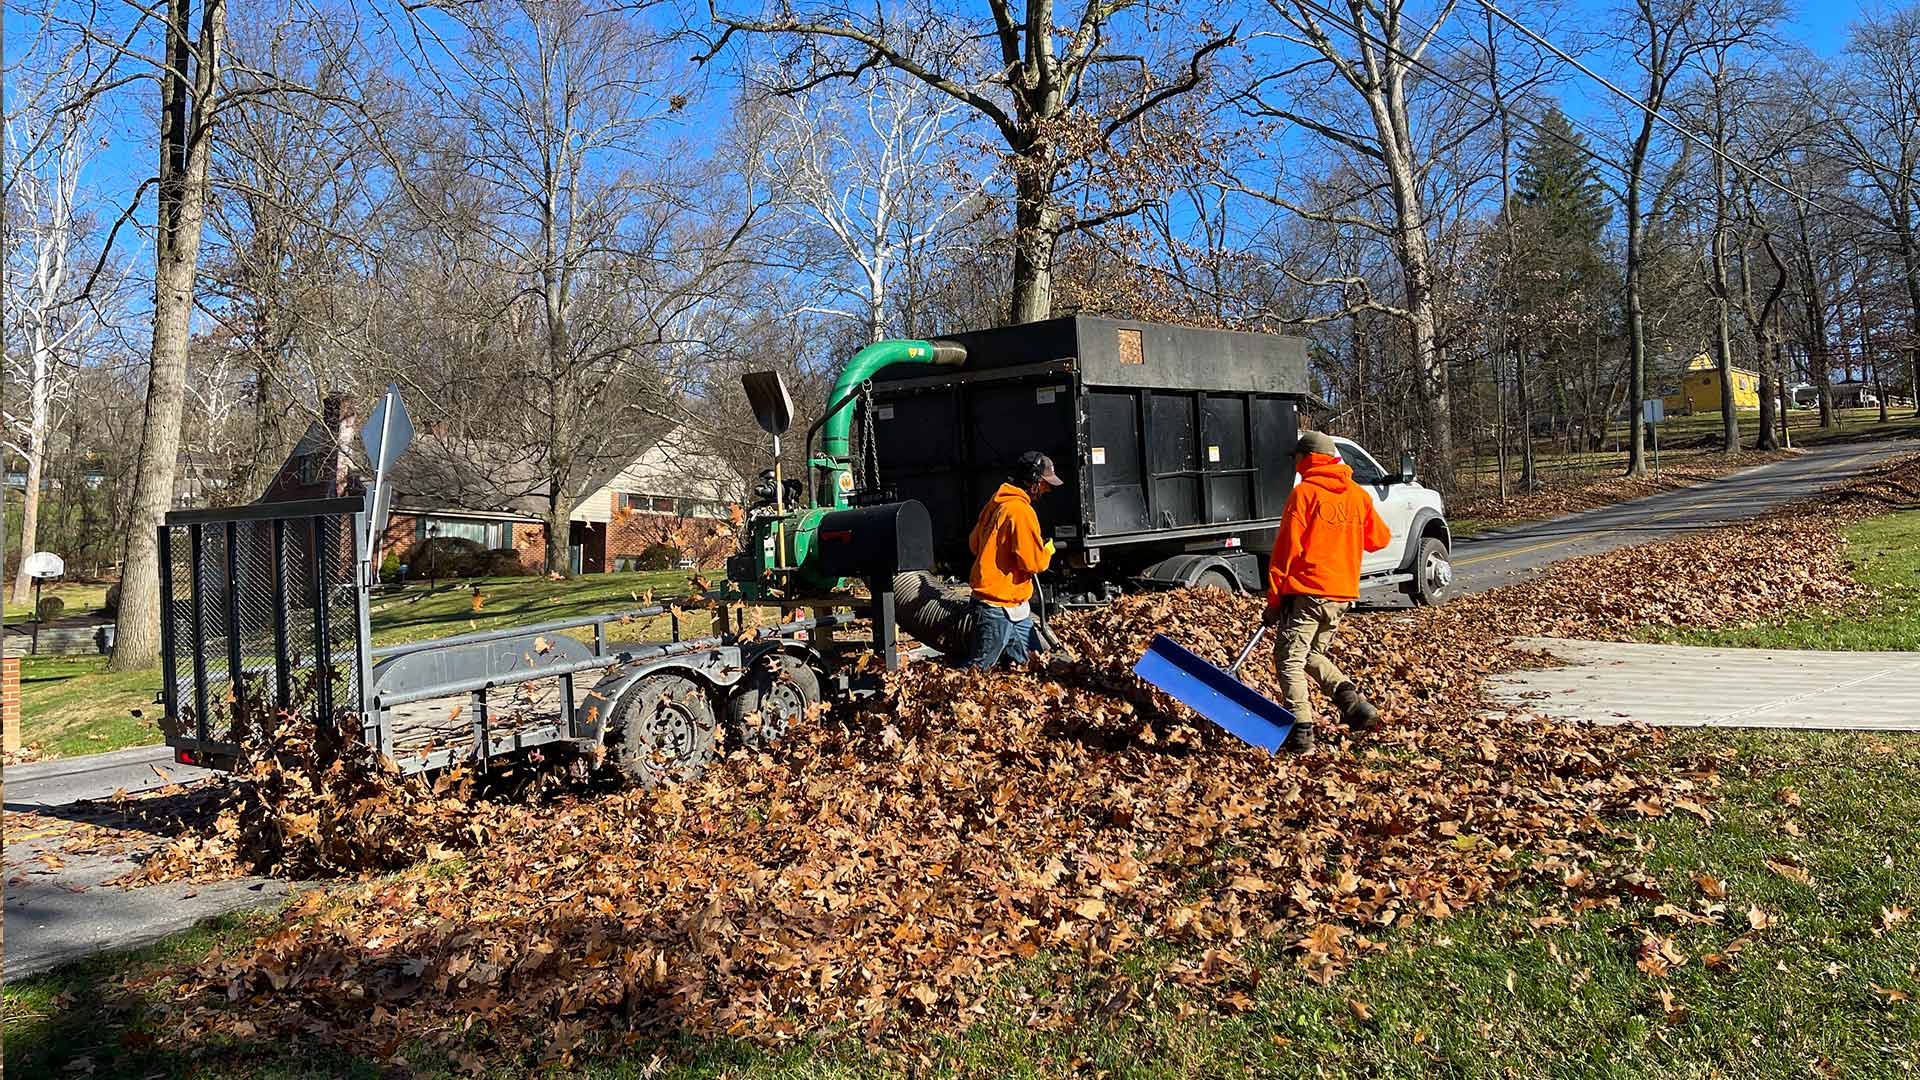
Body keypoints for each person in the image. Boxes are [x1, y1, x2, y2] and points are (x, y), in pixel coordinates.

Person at [1262, 430, 1391, 752]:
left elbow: (1286, 551)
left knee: (1288, 660)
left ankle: (1301, 733)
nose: (1294, 463)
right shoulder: (1357, 495)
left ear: (1307, 459)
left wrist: (1275, 600)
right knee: (1312, 655)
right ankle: (1355, 705)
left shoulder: (1305, 493)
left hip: (1309, 591)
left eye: (1296, 458)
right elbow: (1380, 539)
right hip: (1343, 594)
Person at [965, 450, 1060, 669]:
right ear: (1033, 481)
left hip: (1010, 606)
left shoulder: (995, 504)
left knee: (1034, 663)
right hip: (997, 606)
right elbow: (1033, 563)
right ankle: (945, 700)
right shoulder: (1021, 511)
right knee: (977, 672)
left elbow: (974, 544)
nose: (1045, 491)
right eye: (1045, 485)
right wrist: (1047, 550)